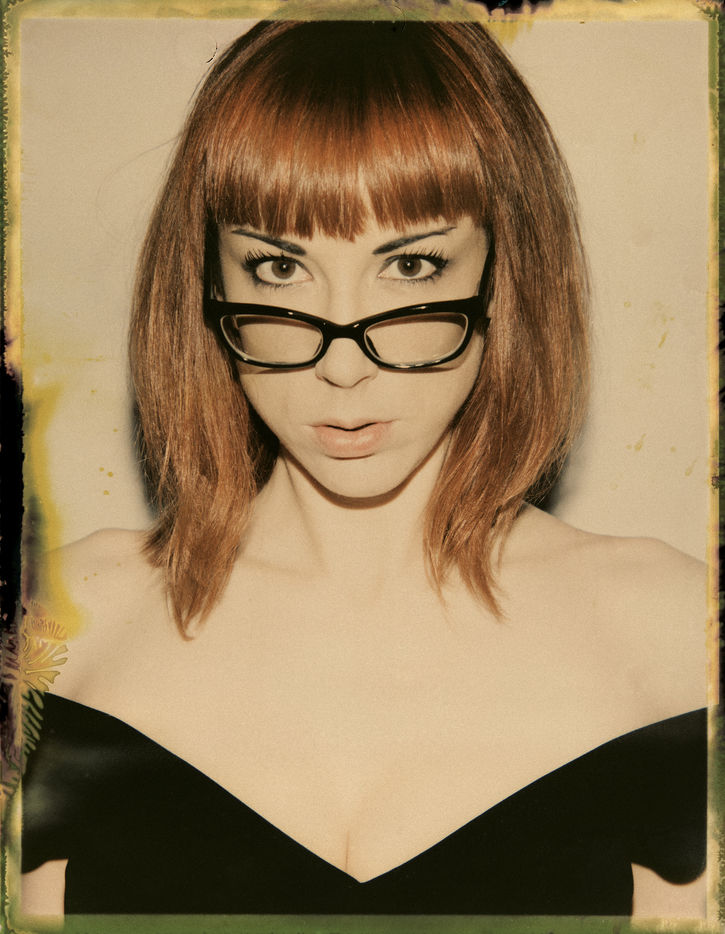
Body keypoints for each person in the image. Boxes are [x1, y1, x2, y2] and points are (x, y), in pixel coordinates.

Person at [18, 17, 707, 920]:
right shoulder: (64, 626)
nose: (342, 365)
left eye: (411, 264)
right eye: (278, 267)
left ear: (507, 275)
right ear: (210, 281)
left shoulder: (672, 636)